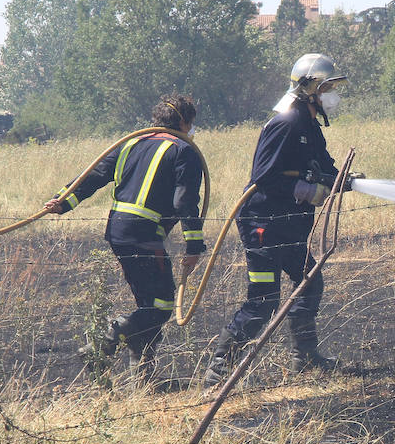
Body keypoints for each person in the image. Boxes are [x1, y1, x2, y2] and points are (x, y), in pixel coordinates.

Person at [204, 53, 347, 385]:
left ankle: (306, 358)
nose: (333, 95)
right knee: (264, 300)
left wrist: (345, 181)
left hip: (291, 225)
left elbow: (325, 168)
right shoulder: (285, 123)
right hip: (264, 224)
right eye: (327, 87)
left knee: (310, 283)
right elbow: (263, 177)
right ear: (311, 88)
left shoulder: (310, 125)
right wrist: (304, 189)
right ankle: (219, 369)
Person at [43, 95, 205, 382]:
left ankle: (143, 379)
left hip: (118, 231)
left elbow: (94, 176)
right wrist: (194, 245)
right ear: (183, 121)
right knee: (163, 305)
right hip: (144, 234)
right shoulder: (184, 150)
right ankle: (104, 342)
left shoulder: (131, 143)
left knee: (149, 305)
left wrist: (63, 201)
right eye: (191, 123)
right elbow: (185, 202)